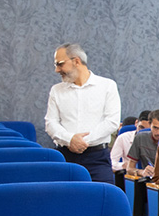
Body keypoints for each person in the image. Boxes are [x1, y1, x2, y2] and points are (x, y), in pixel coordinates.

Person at [45, 43, 121, 183]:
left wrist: (82, 142)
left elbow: (112, 122)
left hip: (97, 158)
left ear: (76, 61)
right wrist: (70, 140)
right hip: (65, 156)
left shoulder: (107, 86)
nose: (57, 70)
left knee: (103, 195)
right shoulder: (56, 90)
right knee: (62, 196)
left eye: (60, 64)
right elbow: (51, 123)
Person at [125, 109, 159, 177]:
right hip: (149, 179)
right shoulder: (140, 138)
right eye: (155, 128)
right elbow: (129, 169)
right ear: (149, 124)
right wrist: (141, 172)